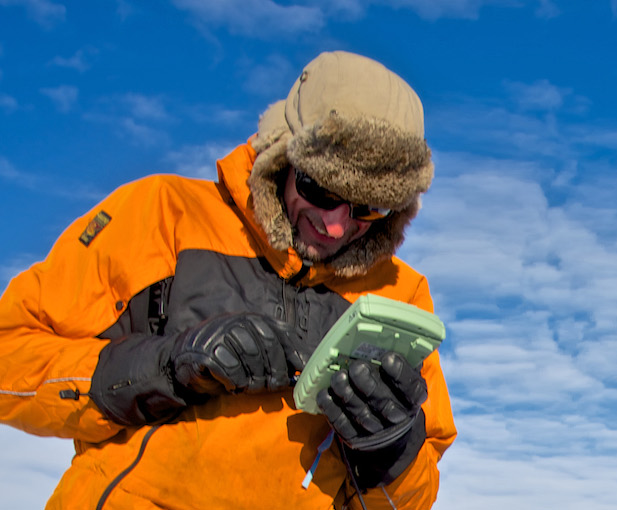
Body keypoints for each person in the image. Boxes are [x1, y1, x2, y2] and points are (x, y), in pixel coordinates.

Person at [0, 51, 457, 509]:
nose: (335, 226)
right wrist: (165, 367)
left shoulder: (403, 295)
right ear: (282, 154)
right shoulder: (163, 214)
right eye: (319, 189)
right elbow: (9, 358)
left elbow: (410, 500)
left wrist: (392, 450)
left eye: (368, 208)